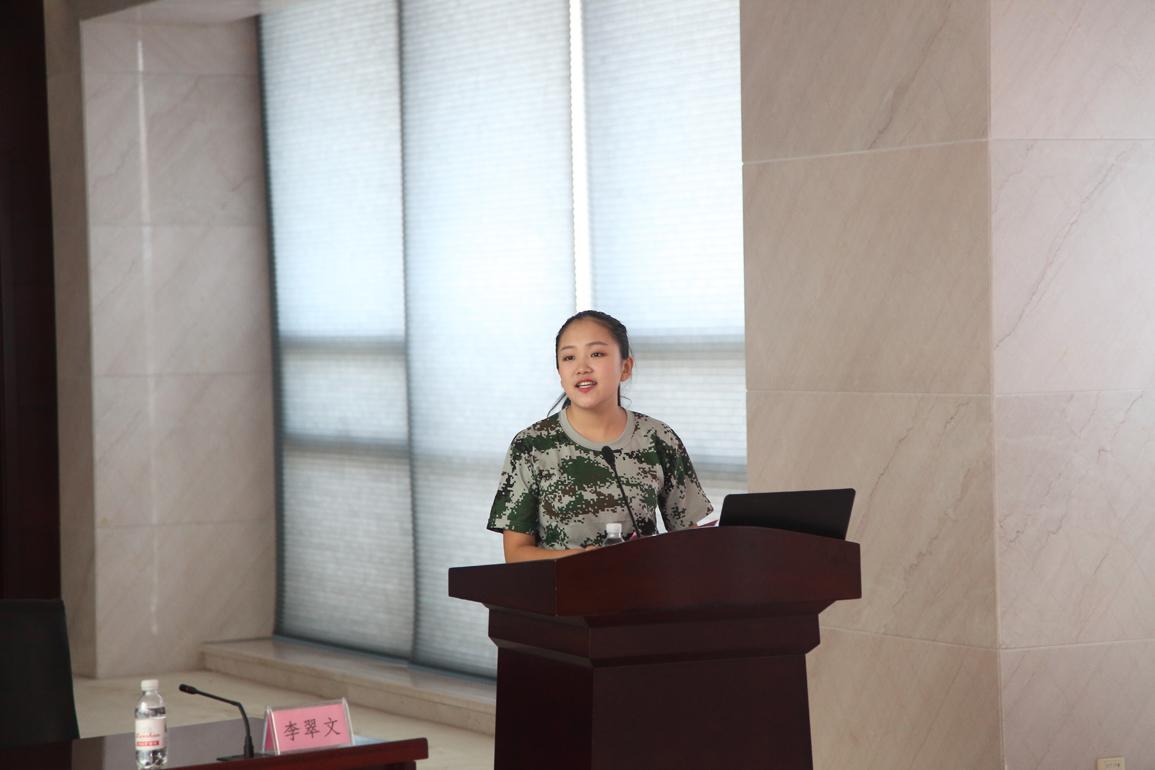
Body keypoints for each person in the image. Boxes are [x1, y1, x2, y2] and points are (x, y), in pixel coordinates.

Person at [487, 310, 712, 562]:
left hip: (644, 585)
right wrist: (586, 559)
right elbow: (516, 554)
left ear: (625, 367)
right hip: (562, 586)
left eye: (596, 354)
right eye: (569, 357)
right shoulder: (530, 445)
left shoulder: (659, 438)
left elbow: (689, 543)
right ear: (560, 373)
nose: (582, 367)